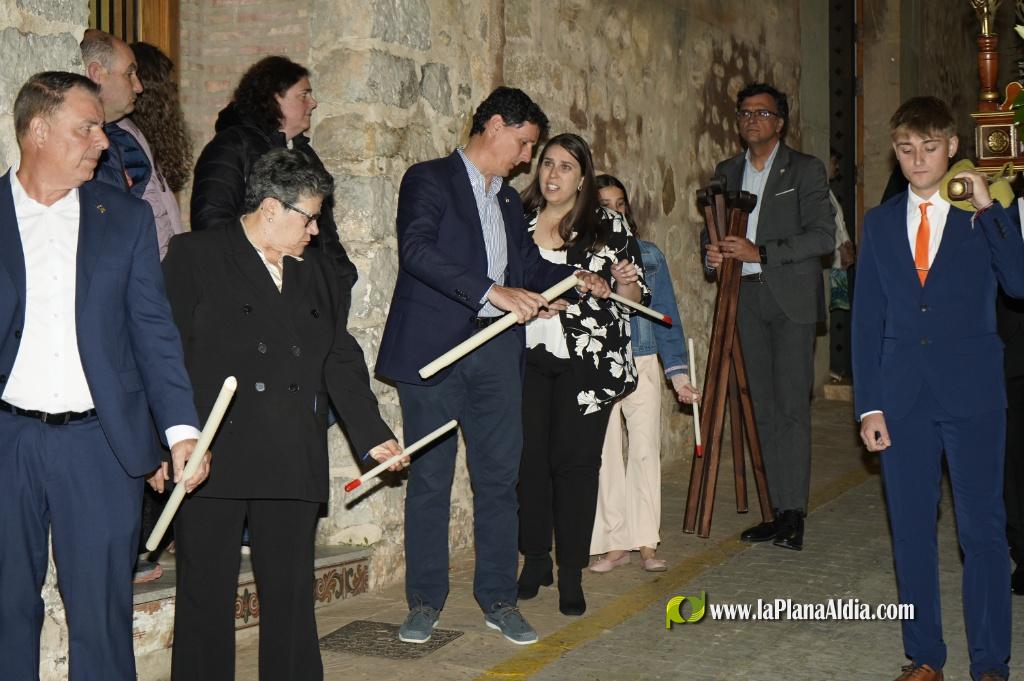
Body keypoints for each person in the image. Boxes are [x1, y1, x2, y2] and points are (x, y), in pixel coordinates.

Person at [375, 88, 609, 645]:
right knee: (430, 481)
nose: (527, 158)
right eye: (526, 144)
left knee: (501, 481)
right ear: (497, 127)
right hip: (434, 355)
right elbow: (417, 251)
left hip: (497, 355)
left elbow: (525, 264)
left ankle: (499, 598)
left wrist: (575, 285)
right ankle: (425, 601)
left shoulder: (505, 200)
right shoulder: (427, 179)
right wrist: (492, 292)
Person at [162, 148, 403, 681]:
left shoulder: (316, 272)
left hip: (291, 450)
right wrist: (163, 442)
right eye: (308, 216)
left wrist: (373, 436)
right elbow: (164, 353)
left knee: (292, 599)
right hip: (212, 453)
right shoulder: (194, 254)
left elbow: (338, 358)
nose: (315, 230)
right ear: (271, 208)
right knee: (204, 595)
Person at [0, 71, 206, 681]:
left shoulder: (125, 218)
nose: (101, 140)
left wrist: (179, 430)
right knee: (7, 604)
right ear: (38, 130)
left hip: (100, 445)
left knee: (101, 611)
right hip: (8, 441)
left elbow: (153, 332)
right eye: (86, 127)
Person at [852, 96, 1024, 681]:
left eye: (930, 148)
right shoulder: (877, 224)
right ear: (895, 152)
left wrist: (988, 206)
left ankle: (990, 662)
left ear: (952, 148)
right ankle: (924, 655)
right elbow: (866, 319)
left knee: (983, 533)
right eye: (906, 149)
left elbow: (1020, 283)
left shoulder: (984, 218)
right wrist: (868, 404)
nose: (918, 160)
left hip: (973, 394)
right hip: (901, 400)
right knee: (911, 533)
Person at [514, 136, 648, 618]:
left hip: (586, 364)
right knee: (528, 463)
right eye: (547, 164)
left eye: (566, 167)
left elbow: (636, 294)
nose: (553, 175)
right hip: (524, 356)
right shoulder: (518, 215)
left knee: (574, 467)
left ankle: (571, 570)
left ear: (583, 176)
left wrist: (621, 281)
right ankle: (534, 562)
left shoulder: (606, 224)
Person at [703, 82, 834, 551]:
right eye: (744, 113)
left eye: (761, 113)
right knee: (756, 407)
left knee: (790, 410)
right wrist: (713, 257)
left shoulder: (806, 169)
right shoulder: (725, 171)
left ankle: (794, 510)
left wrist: (762, 251)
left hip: (790, 300)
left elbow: (823, 236)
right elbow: (712, 235)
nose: (751, 120)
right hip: (744, 300)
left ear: (780, 122)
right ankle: (772, 511)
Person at [588, 174, 699, 575]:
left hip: (644, 359)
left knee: (645, 450)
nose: (613, 210)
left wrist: (679, 375)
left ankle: (646, 542)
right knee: (604, 455)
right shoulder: (581, 257)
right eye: (604, 203)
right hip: (599, 365)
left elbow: (666, 314)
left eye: (619, 203)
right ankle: (614, 542)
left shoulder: (649, 254)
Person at [190, 55, 357, 317]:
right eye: (304, 94)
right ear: (274, 98)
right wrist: (262, 282)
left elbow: (325, 233)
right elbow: (212, 224)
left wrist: (340, 280)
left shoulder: (306, 156)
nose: (313, 103)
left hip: (307, 302)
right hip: (251, 304)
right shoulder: (232, 146)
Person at [120, 41, 191, 259]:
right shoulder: (126, 138)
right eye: (168, 84)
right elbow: (150, 213)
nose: (174, 91)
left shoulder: (142, 137)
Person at [80, 29, 149, 197]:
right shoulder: (73, 145)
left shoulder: (123, 138)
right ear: (96, 73)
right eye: (129, 74)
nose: (139, 87)